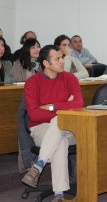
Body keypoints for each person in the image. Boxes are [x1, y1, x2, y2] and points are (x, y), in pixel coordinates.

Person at [21, 45, 84, 202]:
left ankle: (38, 166)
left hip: (70, 129)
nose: (63, 61)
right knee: (60, 138)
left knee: (59, 120)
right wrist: (64, 107)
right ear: (46, 63)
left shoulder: (70, 78)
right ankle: (59, 195)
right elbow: (34, 113)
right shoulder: (32, 82)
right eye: (58, 58)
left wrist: (52, 106)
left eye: (62, 57)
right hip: (40, 127)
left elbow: (79, 103)